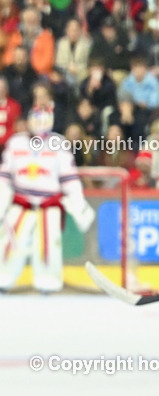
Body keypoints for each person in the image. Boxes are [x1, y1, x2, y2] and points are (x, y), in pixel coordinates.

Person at [0, 106, 95, 292]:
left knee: (48, 246)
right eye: (36, 119)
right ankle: (3, 278)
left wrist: (78, 202)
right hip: (21, 202)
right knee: (9, 243)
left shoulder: (59, 143)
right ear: (28, 120)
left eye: (44, 120)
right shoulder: (15, 142)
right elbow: (4, 177)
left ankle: (48, 281)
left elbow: (69, 178)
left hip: (48, 203)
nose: (40, 124)